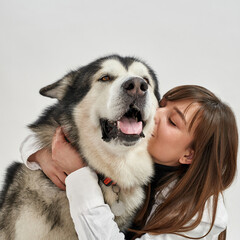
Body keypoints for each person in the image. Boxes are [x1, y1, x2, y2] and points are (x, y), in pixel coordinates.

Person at [21, 85, 238, 240]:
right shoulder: (137, 142)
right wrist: (43, 155)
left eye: (172, 122)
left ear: (189, 156)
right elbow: (46, 132)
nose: (156, 113)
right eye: (162, 104)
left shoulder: (201, 218)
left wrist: (79, 173)